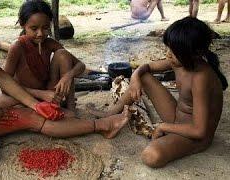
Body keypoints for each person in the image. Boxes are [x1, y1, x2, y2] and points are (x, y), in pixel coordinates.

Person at [0, 5, 130, 162]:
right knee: (29, 118)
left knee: (31, 104)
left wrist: (36, 103)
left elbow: (1, 77)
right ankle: (102, 126)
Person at [87, 17, 228, 168]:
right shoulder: (181, 61)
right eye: (168, 48)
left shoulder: (201, 78)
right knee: (144, 77)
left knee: (151, 156)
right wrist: (135, 79)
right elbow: (146, 67)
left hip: (194, 135)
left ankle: (173, 139)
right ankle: (112, 113)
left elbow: (200, 131)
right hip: (177, 117)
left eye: (173, 51)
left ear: (194, 53)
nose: (168, 54)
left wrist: (162, 127)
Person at [0, 0, 85, 112]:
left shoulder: (49, 43)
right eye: (34, 29)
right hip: (26, 96)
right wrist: (41, 94)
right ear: (23, 25)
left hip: (49, 92)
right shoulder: (17, 47)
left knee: (63, 54)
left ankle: (70, 107)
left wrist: (68, 76)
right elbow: (5, 87)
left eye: (45, 28)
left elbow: (80, 65)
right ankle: (54, 106)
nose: (40, 33)